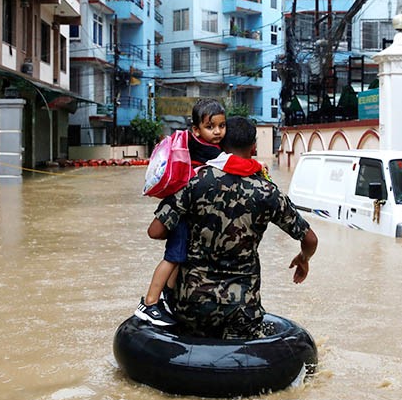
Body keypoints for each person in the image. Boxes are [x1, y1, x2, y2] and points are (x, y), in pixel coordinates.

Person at [147, 116, 318, 339]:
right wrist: (303, 259)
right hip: (242, 310)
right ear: (254, 147)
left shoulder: (196, 181)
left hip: (191, 306)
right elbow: (310, 239)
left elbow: (156, 231)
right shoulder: (268, 192)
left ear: (220, 146)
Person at [134, 98, 227, 326]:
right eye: (210, 126)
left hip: (184, 212)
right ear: (196, 129)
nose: (217, 132)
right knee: (173, 257)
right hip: (182, 213)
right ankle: (149, 303)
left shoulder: (198, 143)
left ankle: (168, 296)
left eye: (222, 126)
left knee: (180, 256)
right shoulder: (205, 149)